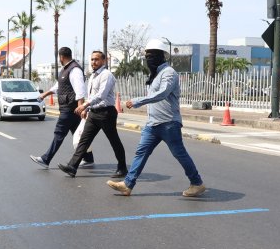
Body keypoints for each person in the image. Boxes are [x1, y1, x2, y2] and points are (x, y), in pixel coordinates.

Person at [108, 38, 205, 198]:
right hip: (152, 124)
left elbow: (162, 94)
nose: (148, 59)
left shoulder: (169, 73)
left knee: (179, 154)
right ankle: (127, 184)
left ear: (162, 56)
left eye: (152, 55)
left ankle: (197, 183)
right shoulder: (156, 74)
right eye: (147, 55)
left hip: (168, 123)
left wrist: (138, 101)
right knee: (141, 152)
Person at [58, 50, 126, 178]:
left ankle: (122, 168)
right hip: (94, 113)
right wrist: (86, 109)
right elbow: (91, 95)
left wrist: (85, 105)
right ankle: (72, 167)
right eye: (92, 59)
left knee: (114, 141)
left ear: (104, 61)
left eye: (97, 59)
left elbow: (101, 95)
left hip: (106, 113)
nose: (93, 62)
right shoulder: (93, 76)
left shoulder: (106, 75)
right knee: (84, 140)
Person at [31, 47, 91, 169]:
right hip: (70, 108)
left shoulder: (74, 70)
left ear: (61, 57)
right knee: (80, 134)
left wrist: (81, 108)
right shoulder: (66, 70)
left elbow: (80, 90)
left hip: (70, 109)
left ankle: (45, 159)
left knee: (59, 134)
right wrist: (45, 94)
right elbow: (58, 86)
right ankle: (88, 158)